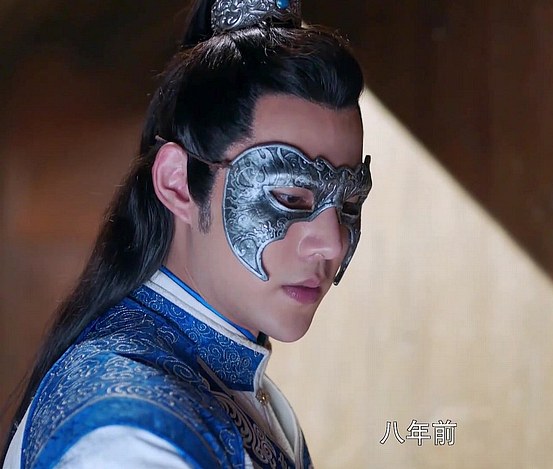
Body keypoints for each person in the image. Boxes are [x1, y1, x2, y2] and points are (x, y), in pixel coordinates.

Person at [2, 0, 371, 466]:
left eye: (349, 204)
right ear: (177, 182)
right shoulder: (128, 436)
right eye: (289, 197)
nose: (332, 243)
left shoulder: (228, 383)